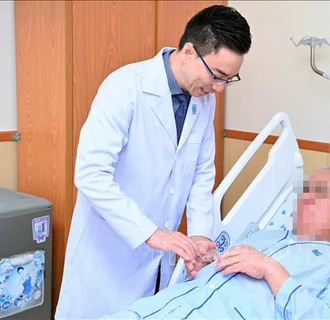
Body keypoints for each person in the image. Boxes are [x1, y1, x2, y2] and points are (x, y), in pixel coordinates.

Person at [55, 5, 252, 319]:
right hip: (107, 256)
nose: (218, 87)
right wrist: (150, 232)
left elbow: (201, 175)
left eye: (228, 79)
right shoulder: (125, 87)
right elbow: (91, 174)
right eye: (217, 76)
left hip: (158, 262)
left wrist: (200, 234)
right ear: (189, 51)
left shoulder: (204, 100)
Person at [102, 167, 330, 319]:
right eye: (305, 191)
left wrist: (270, 269)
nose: (306, 198)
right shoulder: (264, 235)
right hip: (156, 311)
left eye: (320, 193)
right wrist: (206, 264)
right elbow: (219, 281)